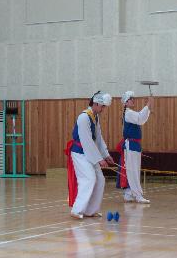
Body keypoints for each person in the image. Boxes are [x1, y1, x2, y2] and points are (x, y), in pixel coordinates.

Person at [65, 91, 114, 219]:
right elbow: (86, 140)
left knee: (100, 180)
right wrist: (99, 159)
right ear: (96, 103)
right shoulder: (83, 117)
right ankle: (77, 210)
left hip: (89, 153)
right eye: (103, 106)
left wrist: (106, 154)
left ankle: (90, 210)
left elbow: (98, 138)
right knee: (88, 179)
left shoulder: (94, 117)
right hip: (79, 153)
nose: (103, 109)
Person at [116, 91, 153, 204]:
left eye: (133, 98)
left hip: (134, 145)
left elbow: (141, 119)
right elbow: (140, 118)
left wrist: (148, 107)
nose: (133, 100)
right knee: (133, 171)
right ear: (126, 102)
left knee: (131, 170)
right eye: (131, 98)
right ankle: (138, 195)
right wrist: (148, 105)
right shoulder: (128, 113)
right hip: (131, 145)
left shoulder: (129, 113)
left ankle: (128, 193)